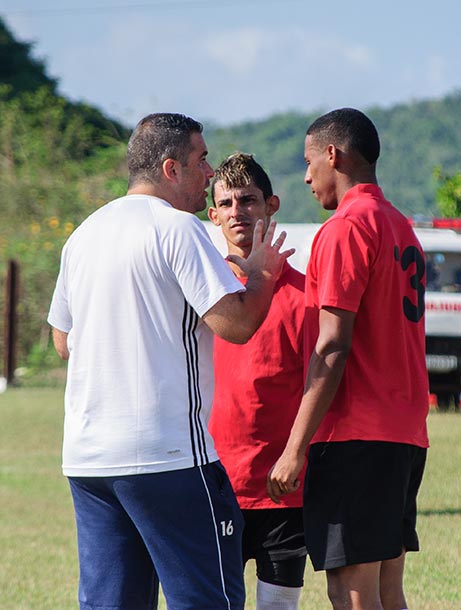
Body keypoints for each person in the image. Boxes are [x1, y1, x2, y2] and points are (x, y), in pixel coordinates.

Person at [48, 113, 293, 610]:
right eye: (201, 160)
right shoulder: (179, 228)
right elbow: (236, 325)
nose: (209, 174)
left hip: (89, 459)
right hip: (168, 458)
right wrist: (263, 277)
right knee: (205, 600)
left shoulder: (84, 234)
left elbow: (62, 341)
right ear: (170, 168)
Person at [267, 108, 429, 610]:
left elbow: (332, 344)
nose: (306, 175)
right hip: (406, 433)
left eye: (309, 161)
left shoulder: (345, 227)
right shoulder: (402, 225)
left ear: (333, 155)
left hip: (356, 436)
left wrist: (295, 448)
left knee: (351, 593)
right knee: (386, 591)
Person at [208, 153, 307, 610]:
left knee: (278, 608)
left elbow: (324, 386)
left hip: (282, 489)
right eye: (225, 202)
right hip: (212, 483)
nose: (236, 211)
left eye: (247, 200)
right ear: (212, 215)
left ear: (272, 205)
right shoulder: (202, 291)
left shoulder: (308, 295)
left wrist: (297, 455)